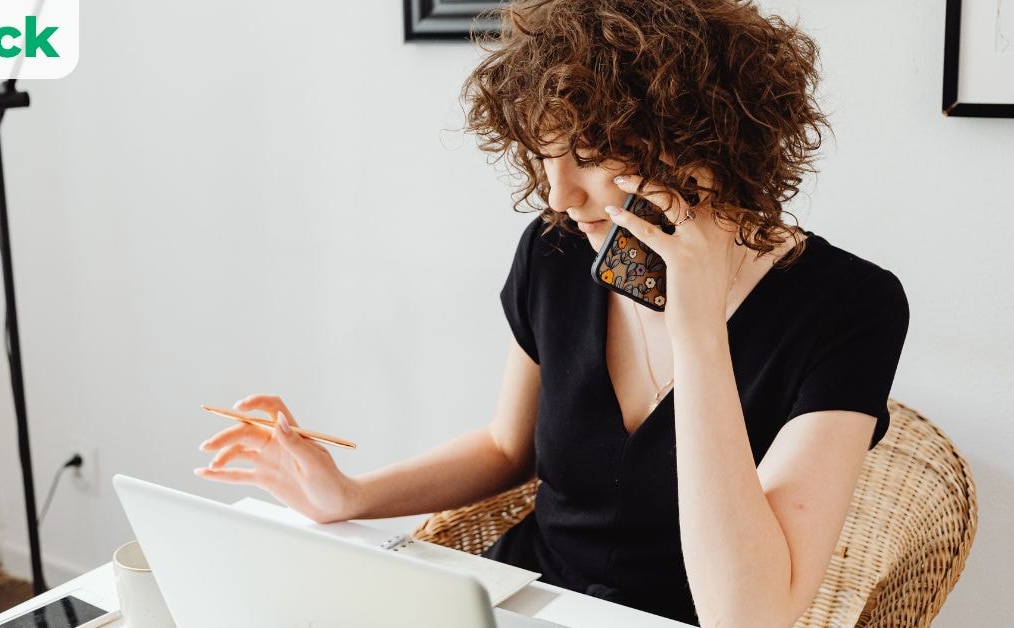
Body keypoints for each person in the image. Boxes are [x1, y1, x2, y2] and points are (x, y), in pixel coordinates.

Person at [194, 1, 911, 625]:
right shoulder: (558, 249)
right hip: (516, 601)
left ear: (704, 142)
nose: (558, 195)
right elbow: (509, 448)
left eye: (590, 154)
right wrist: (348, 496)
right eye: (543, 154)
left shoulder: (850, 308)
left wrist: (697, 334)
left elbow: (748, 614)